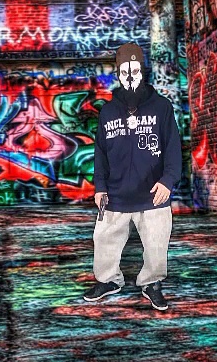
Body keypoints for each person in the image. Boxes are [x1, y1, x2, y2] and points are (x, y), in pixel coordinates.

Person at [83, 42, 181, 312]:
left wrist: (168, 180)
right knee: (104, 240)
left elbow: (173, 148)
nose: (129, 77)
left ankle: (152, 283)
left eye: (135, 71)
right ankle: (108, 280)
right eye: (124, 71)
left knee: (156, 243)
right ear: (118, 73)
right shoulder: (108, 111)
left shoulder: (161, 107)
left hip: (153, 192)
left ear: (143, 71)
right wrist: (100, 187)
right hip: (115, 193)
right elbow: (100, 153)